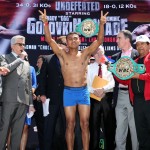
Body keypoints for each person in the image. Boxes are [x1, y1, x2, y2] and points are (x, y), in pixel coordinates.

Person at [39, 9, 108, 150]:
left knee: (85, 124)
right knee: (70, 124)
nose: (73, 40)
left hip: (83, 92)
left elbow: (99, 40)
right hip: (69, 92)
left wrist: (101, 24)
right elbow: (49, 40)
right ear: (67, 42)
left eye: (76, 38)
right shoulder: (61, 55)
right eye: (70, 39)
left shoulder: (86, 53)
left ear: (80, 40)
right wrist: (45, 23)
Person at [114, 35, 150, 150]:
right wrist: (115, 72)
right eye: (138, 44)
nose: (140, 47)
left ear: (149, 45)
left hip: (148, 100)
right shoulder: (134, 62)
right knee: (141, 130)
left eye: (143, 44)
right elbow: (126, 80)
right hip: (137, 100)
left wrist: (138, 75)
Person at [0, 35, 35, 150]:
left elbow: (28, 84)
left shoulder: (26, 63)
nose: (23, 47)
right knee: (4, 128)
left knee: (18, 130)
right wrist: (19, 59)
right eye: (20, 44)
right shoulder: (4, 57)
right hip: (8, 99)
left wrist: (30, 104)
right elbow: (5, 71)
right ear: (12, 46)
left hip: (23, 101)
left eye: (23, 44)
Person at [111, 30, 139, 150]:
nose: (116, 41)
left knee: (134, 128)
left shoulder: (138, 55)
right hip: (119, 95)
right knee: (120, 128)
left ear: (127, 40)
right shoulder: (115, 57)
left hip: (133, 95)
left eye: (119, 38)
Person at [39, 36, 67, 150]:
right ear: (59, 45)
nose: (67, 46)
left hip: (67, 99)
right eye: (65, 43)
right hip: (51, 99)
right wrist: (42, 94)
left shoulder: (70, 58)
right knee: (48, 128)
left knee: (67, 128)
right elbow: (42, 79)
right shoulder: (47, 58)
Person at [87, 45, 115, 150]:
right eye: (97, 53)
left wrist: (103, 89)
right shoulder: (89, 67)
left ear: (104, 53)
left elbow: (113, 82)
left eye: (101, 53)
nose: (99, 55)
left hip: (107, 98)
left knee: (109, 127)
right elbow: (86, 84)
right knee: (93, 127)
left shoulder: (111, 66)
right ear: (93, 54)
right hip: (93, 99)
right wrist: (95, 90)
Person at [20, 65, 37, 150]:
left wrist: (31, 92)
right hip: (14, 100)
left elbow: (34, 84)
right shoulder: (12, 66)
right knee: (12, 128)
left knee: (25, 127)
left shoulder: (31, 68)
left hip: (27, 101)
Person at [33, 55, 45, 149]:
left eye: (39, 62)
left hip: (47, 105)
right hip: (37, 106)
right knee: (40, 128)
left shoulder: (48, 74)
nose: (37, 64)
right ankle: (42, 146)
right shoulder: (36, 74)